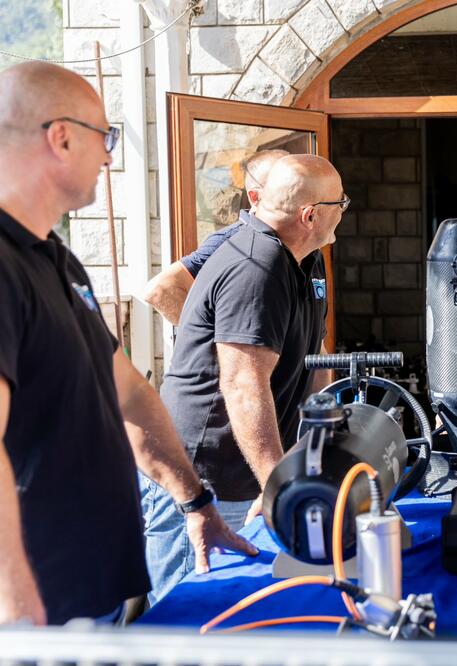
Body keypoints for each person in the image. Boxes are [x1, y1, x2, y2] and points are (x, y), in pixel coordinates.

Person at [0, 62, 255, 625]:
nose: (111, 157)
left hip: (96, 590)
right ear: (61, 136)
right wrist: (17, 610)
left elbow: (129, 394)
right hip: (36, 610)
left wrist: (196, 502)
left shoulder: (58, 261)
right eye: (105, 136)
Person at [143, 154, 346, 601]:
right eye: (341, 203)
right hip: (206, 478)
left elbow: (314, 355)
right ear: (309, 215)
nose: (345, 210)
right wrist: (278, 486)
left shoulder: (302, 255)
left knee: (235, 614)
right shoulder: (257, 265)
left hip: (245, 471)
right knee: (188, 613)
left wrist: (318, 443)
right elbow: (243, 385)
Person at [143, 149, 290, 326]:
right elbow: (160, 290)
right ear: (255, 196)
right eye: (285, 184)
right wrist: (214, 345)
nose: (297, 187)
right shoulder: (230, 241)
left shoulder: (306, 246)